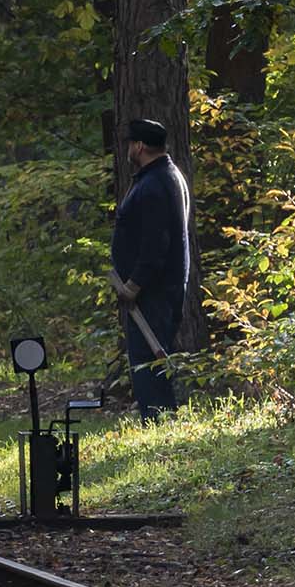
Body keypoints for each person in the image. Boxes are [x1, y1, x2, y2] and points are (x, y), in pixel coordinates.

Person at [110, 117, 190, 419]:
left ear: (140, 146)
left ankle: (159, 423)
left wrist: (134, 284)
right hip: (157, 289)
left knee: (149, 362)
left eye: (131, 143)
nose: (129, 149)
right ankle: (159, 420)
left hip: (152, 293)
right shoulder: (163, 176)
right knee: (152, 362)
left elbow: (156, 243)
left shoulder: (156, 183)